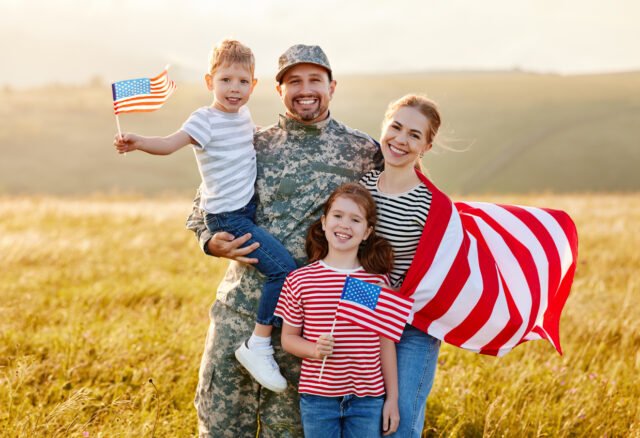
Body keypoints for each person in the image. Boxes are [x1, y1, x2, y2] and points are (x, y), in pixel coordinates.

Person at [186, 44, 382, 437]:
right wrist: (211, 241)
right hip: (239, 315)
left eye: (315, 80)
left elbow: (382, 225)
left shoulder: (361, 151)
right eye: (294, 81)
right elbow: (200, 208)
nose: (305, 89)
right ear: (279, 90)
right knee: (220, 428)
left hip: (306, 328)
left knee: (287, 432)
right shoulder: (251, 143)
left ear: (332, 87)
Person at [113, 39, 297, 393]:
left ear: (254, 86)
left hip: (245, 209)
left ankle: (262, 341)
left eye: (243, 82)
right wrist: (137, 141)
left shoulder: (243, 117)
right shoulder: (204, 120)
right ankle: (257, 344)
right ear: (209, 81)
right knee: (283, 269)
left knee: (279, 266)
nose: (234, 89)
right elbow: (169, 143)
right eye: (226, 80)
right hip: (227, 217)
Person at [275, 183, 400, 437]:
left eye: (355, 219)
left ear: (367, 232)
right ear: (323, 222)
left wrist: (392, 399)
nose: (345, 225)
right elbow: (288, 338)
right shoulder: (301, 280)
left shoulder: (375, 283)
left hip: (368, 398)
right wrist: (313, 349)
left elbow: (385, 344)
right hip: (318, 398)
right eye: (338, 216)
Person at [359, 94, 443, 437]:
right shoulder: (361, 190)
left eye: (414, 134)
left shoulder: (433, 205)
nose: (400, 140)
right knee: (363, 420)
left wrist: (393, 294)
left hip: (412, 326)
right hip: (363, 317)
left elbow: (440, 274)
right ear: (384, 127)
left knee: (400, 423)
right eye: (396, 127)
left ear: (426, 146)